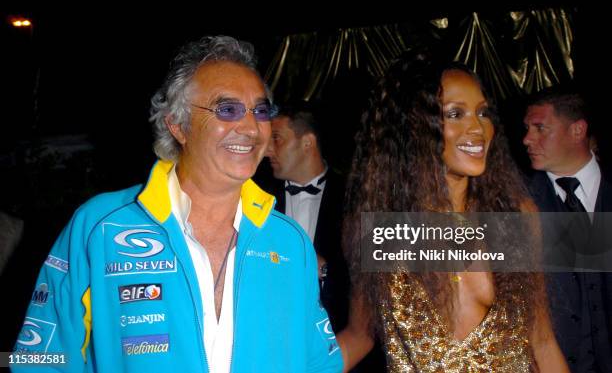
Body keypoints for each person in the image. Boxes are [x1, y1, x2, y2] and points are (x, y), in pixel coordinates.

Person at [12, 35, 342, 373]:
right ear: (178, 125)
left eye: (260, 110)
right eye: (227, 109)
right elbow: (38, 361)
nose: (250, 127)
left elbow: (321, 364)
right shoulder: (100, 227)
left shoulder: (290, 241)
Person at [336, 49, 569, 372]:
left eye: (483, 113)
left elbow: (542, 340)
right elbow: (360, 335)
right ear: (415, 126)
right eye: (456, 114)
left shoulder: (516, 217)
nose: (478, 129)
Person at [523, 90, 612, 372]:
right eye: (526, 129)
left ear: (578, 130)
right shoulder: (518, 203)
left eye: (539, 128)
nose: (527, 139)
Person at [264, 103, 350, 332]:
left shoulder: (355, 197)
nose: (266, 150)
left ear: (307, 143)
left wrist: (324, 271)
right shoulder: (257, 197)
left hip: (336, 337)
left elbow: (372, 283)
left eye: (277, 139)